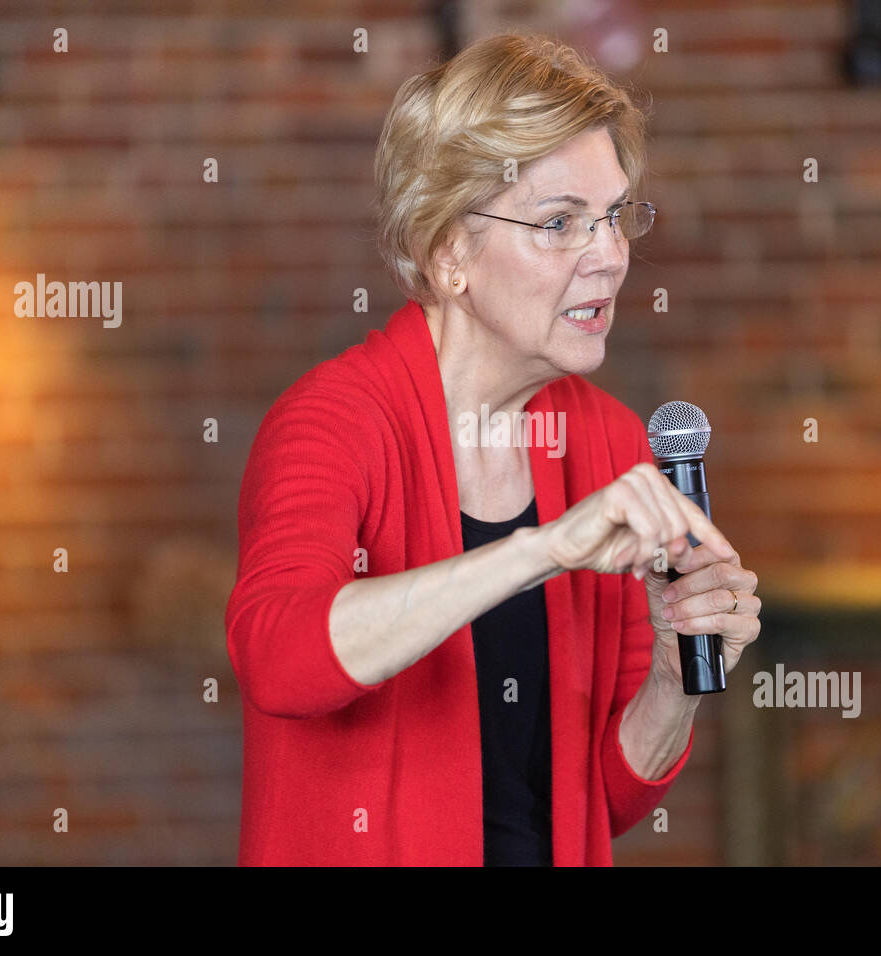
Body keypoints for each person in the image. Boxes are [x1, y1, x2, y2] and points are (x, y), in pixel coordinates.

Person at [224, 32, 761, 866]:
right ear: (448, 254)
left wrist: (673, 671)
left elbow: (606, 800)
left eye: (616, 217)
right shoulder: (334, 422)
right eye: (560, 225)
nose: (612, 257)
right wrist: (540, 551)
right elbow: (280, 660)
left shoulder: (610, 442)